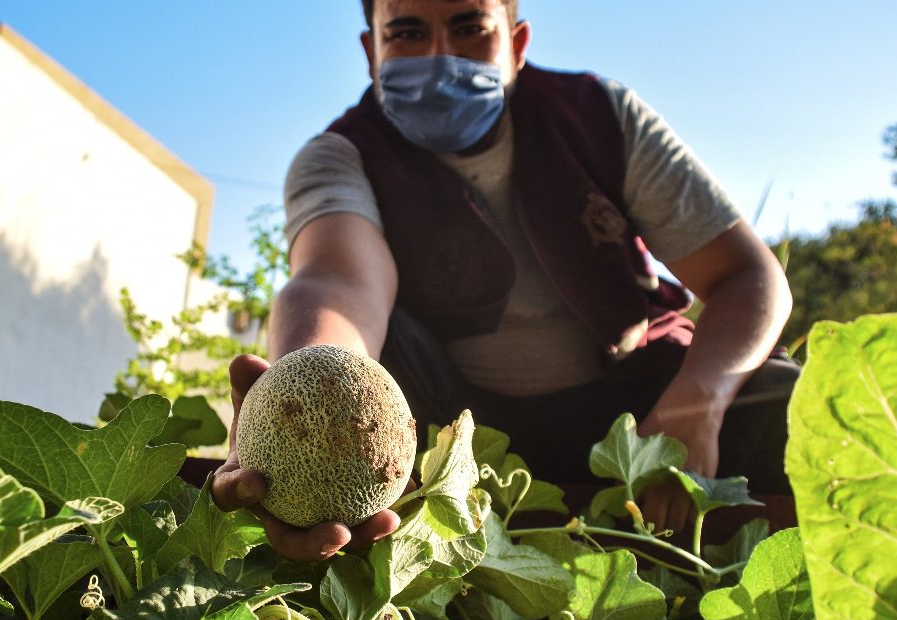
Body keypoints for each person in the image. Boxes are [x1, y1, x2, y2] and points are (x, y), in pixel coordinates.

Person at [212, 0, 796, 563]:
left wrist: (696, 405)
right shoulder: (338, 156)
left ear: (516, 44)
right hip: (456, 433)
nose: (440, 56)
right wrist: (296, 401)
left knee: (799, 409)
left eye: (470, 28)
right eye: (408, 33)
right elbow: (337, 280)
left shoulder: (603, 116)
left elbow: (748, 276)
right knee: (378, 358)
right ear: (372, 51)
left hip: (642, 400)